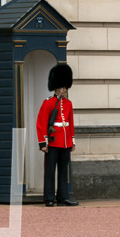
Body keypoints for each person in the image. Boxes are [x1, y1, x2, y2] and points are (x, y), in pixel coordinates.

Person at [36, 63, 78, 207]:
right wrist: (43, 143)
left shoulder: (68, 103)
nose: (64, 90)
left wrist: (72, 142)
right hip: (53, 142)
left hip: (65, 141)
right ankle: (49, 198)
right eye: (62, 87)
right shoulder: (48, 103)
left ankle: (63, 197)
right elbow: (41, 123)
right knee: (50, 171)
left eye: (65, 87)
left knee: (63, 171)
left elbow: (70, 123)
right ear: (56, 87)